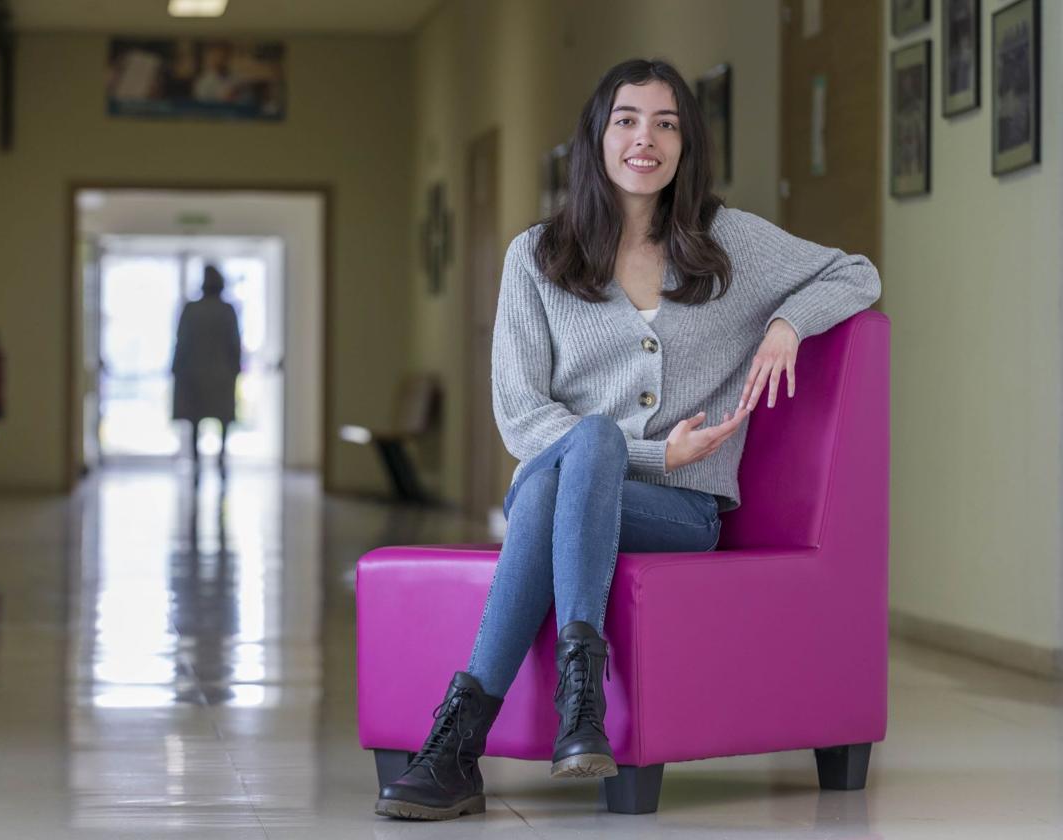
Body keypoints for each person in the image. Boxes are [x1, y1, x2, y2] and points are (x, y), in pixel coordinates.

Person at [374, 57, 881, 821]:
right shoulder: (537, 257)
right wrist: (646, 451)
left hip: (681, 511)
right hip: (581, 479)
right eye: (627, 120)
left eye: (666, 123)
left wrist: (786, 322)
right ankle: (579, 704)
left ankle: (457, 748)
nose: (646, 138)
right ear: (597, 137)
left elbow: (857, 274)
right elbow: (519, 414)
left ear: (686, 144)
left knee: (570, 469)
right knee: (593, 446)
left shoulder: (729, 242)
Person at [171, 266, 242, 472]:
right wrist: (234, 369)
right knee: (219, 418)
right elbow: (234, 344)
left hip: (196, 374)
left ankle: (197, 459)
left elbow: (181, 342)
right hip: (220, 374)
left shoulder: (193, 310)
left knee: (195, 419)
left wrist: (178, 369)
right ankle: (219, 457)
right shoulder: (226, 311)